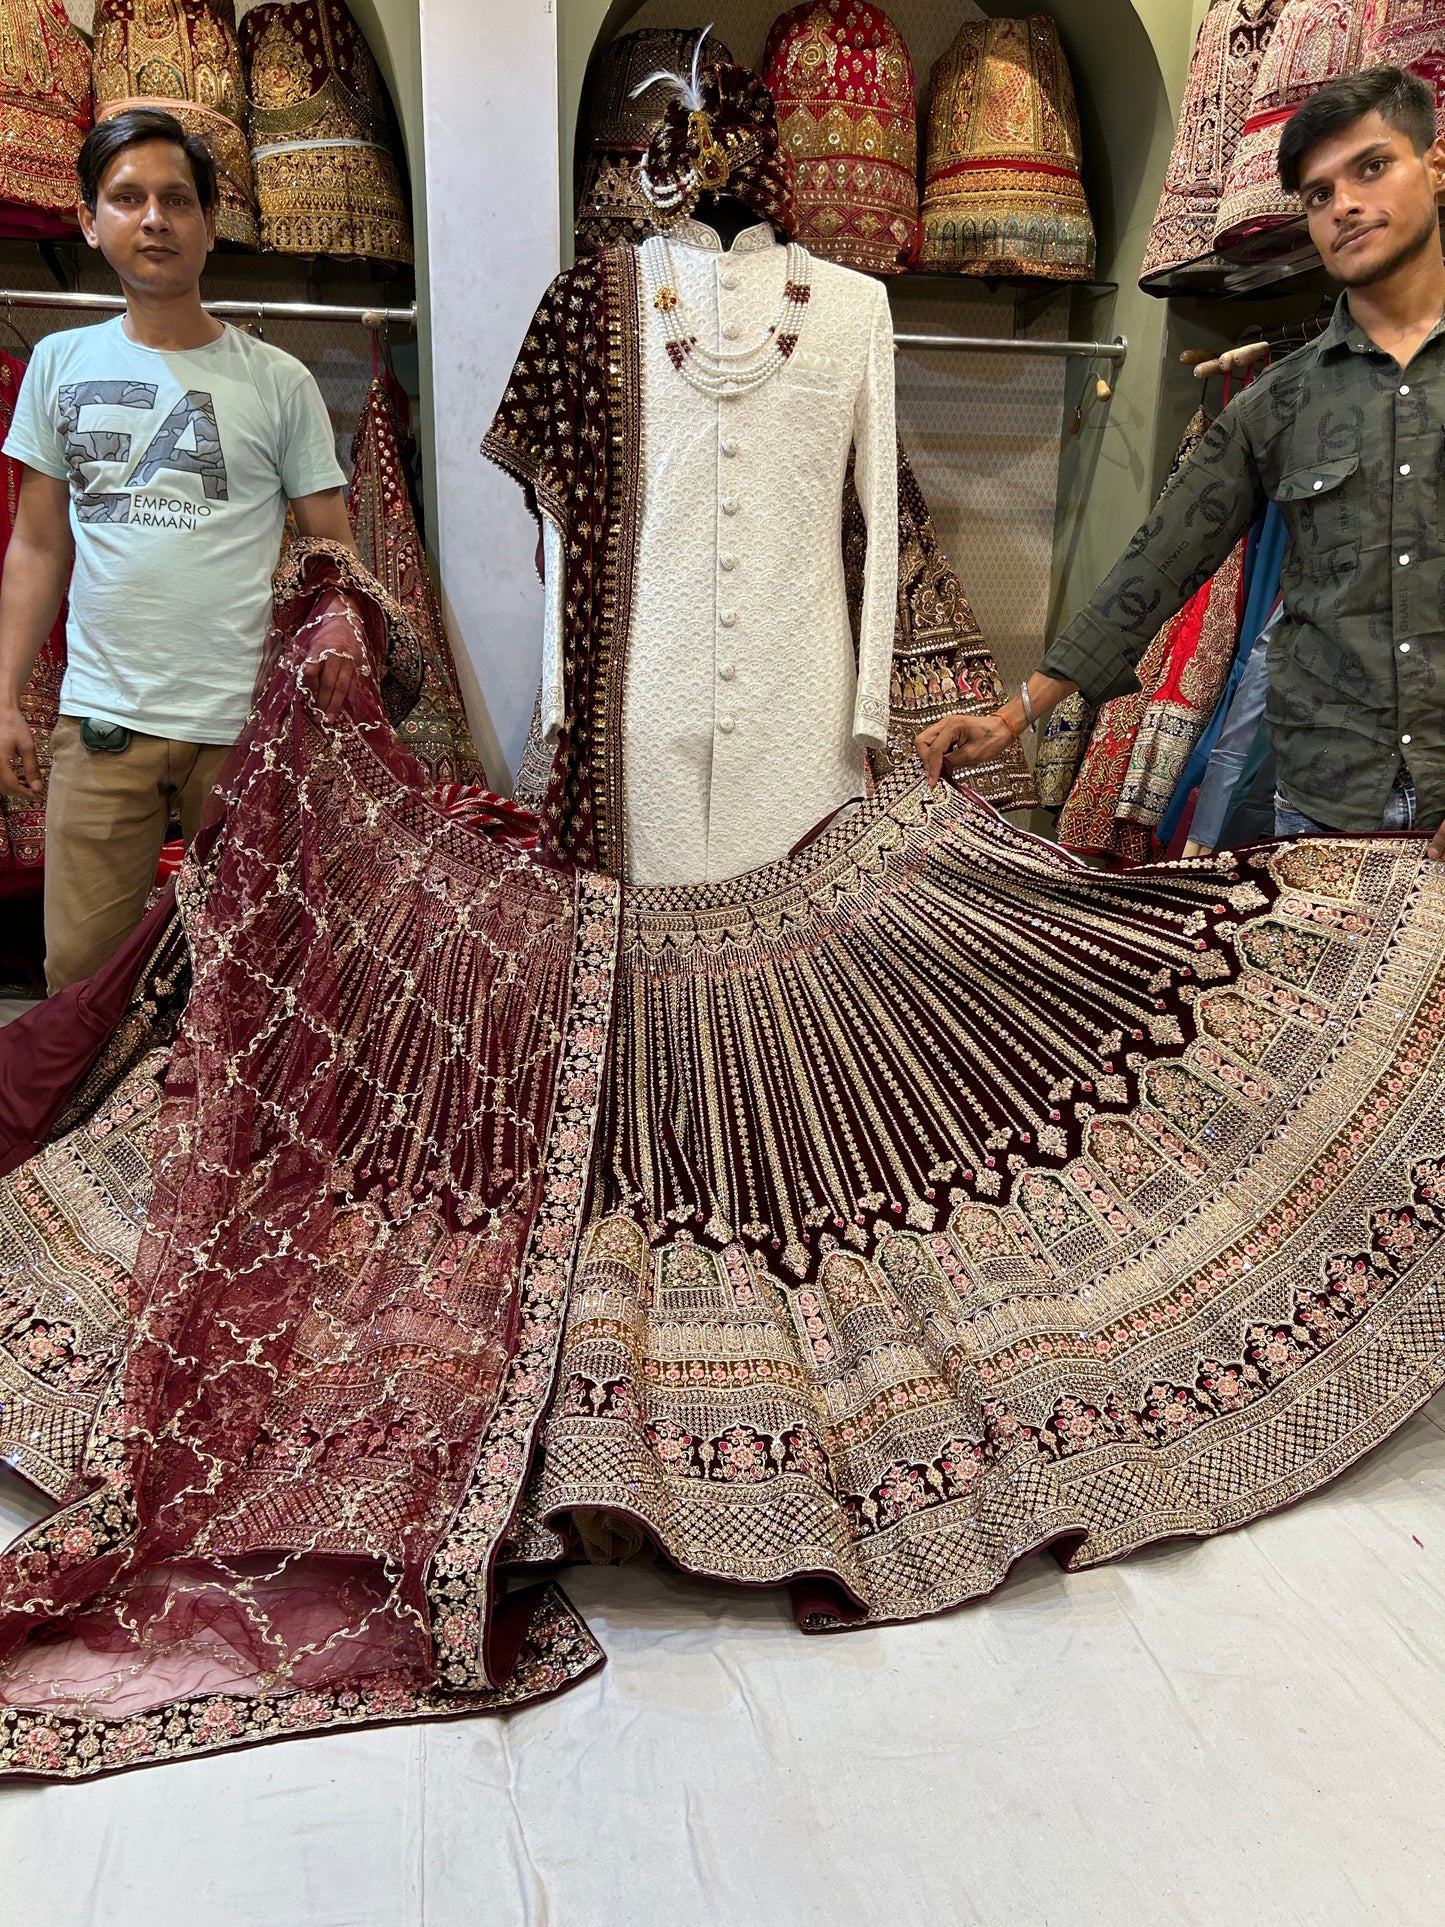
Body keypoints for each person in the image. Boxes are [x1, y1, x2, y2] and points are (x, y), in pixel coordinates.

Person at [918, 65, 1445, 863]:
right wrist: (1011, 715)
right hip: (1328, 800)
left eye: (1371, 167)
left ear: (1434, 167)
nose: (1342, 204)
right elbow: (1154, 565)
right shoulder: (1277, 404)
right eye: (1315, 194)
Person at [0, 107, 365, 992]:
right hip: (101, 730)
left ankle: (227, 1135)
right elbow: (37, 546)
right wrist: (5, 697)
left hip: (243, 729)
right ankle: (94, 1133)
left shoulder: (276, 380)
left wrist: (342, 631)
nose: (153, 218)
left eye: (176, 199)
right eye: (127, 198)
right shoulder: (56, 362)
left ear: (209, 223)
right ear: (90, 220)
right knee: (80, 984)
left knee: (255, 977)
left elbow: (333, 552)